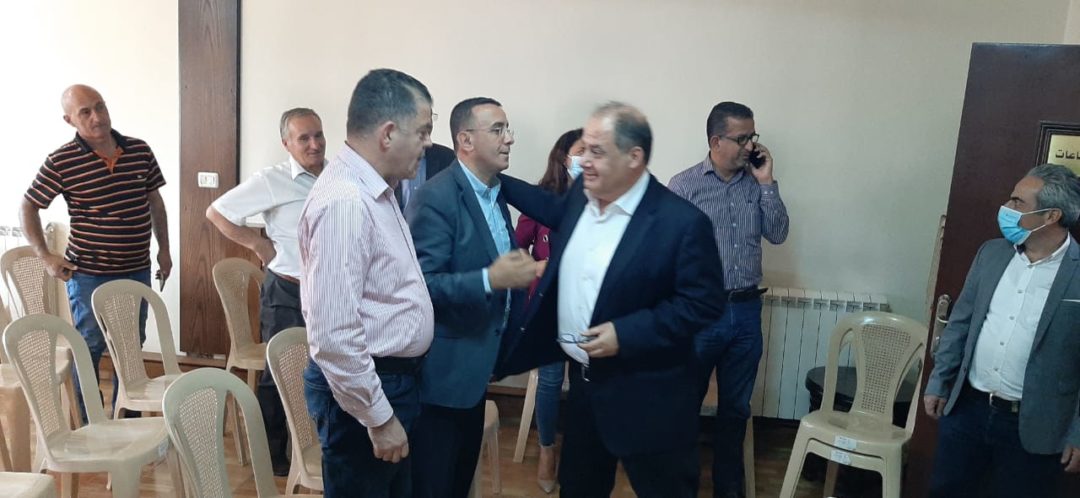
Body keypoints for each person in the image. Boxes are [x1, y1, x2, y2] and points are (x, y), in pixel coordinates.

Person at [496, 102, 725, 498]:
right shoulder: (580, 198)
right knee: (579, 487)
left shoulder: (681, 223)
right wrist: (491, 174)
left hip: (650, 396)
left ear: (634, 157)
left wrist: (626, 333)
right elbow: (546, 205)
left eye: (597, 151)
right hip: (585, 389)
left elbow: (703, 303)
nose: (583, 160)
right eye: (584, 149)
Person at [298, 68, 435, 498]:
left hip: (389, 380)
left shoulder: (374, 189)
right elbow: (334, 334)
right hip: (367, 390)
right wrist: (378, 417)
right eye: (423, 131)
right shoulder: (346, 202)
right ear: (388, 133)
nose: (429, 143)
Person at [405, 96, 536, 498]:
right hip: (443, 379)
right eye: (497, 130)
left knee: (459, 484)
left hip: (478, 370)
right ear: (465, 140)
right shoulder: (436, 196)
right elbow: (424, 286)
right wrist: (489, 279)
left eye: (507, 129)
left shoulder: (495, 193)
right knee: (435, 486)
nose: (509, 138)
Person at [924, 163, 1080, 497]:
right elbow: (961, 323)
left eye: (1017, 202)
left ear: (1051, 215)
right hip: (968, 409)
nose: (1006, 208)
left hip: (1035, 426)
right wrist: (939, 381)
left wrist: (1078, 434)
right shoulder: (991, 254)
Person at [21, 84, 171, 421]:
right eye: (85, 112)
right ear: (69, 120)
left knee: (130, 345)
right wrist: (45, 255)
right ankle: (90, 423)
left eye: (99, 106)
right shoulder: (62, 161)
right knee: (89, 345)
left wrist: (165, 250)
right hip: (89, 273)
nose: (97, 117)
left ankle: (126, 420)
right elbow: (28, 206)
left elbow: (155, 203)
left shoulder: (139, 150)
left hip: (136, 268)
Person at [667, 101, 789, 498]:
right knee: (685, 407)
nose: (750, 146)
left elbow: (778, 233)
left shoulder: (756, 183)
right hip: (701, 313)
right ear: (716, 141)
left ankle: (728, 489)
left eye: (753, 136)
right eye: (741, 138)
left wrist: (768, 182)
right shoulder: (684, 186)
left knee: (735, 409)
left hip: (747, 311)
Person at [206, 107, 326, 475]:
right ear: (287, 144)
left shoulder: (337, 175)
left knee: (325, 367)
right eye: (304, 138)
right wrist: (258, 245)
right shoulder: (273, 180)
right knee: (279, 373)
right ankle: (271, 455)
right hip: (287, 291)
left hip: (327, 293)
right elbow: (217, 212)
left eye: (318, 135)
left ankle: (315, 446)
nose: (314, 144)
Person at [513, 127, 585, 493]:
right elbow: (515, 248)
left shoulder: (600, 198)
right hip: (549, 308)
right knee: (551, 380)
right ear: (563, 157)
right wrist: (535, 270)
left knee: (587, 381)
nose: (587, 158)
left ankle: (580, 450)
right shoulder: (541, 199)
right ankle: (546, 449)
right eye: (581, 151)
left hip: (588, 310)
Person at [396, 142, 456, 210]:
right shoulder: (388, 157)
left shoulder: (449, 158)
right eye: (421, 136)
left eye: (428, 135)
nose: (429, 141)